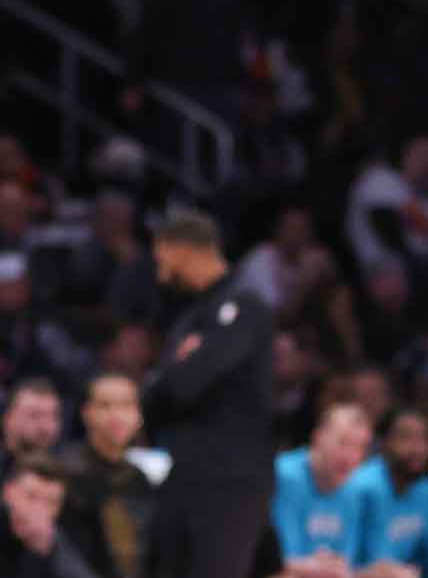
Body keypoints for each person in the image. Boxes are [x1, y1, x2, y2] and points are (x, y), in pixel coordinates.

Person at [142, 209, 274, 578]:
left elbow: (184, 384)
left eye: (161, 257)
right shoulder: (188, 319)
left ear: (181, 249)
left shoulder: (244, 306)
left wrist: (172, 374)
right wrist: (173, 374)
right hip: (185, 472)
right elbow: (156, 397)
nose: (159, 270)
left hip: (230, 483)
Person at [351, 407, 428, 578]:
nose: (417, 448)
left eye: (422, 439)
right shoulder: (364, 487)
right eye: (406, 438)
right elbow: (379, 563)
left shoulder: (427, 494)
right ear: (384, 443)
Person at [60, 372, 154, 578]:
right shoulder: (66, 473)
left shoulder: (140, 478)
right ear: (86, 413)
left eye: (126, 405)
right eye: (105, 405)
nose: (117, 415)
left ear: (139, 416)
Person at [271, 403, 372, 577]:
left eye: (359, 447)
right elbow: (279, 561)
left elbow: (345, 562)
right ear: (318, 437)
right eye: (343, 443)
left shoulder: (353, 489)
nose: (350, 456)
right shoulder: (285, 477)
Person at [0, 453, 98, 578]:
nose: (40, 509)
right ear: (8, 493)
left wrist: (41, 552)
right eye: (31, 497)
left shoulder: (54, 539)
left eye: (51, 502)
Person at [1, 379, 62, 476]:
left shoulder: (70, 473)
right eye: (34, 415)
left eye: (53, 416)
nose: (46, 427)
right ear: (8, 418)